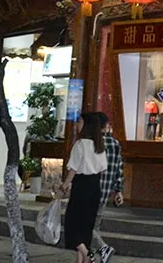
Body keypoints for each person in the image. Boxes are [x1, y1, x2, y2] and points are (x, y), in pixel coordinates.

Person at [60, 113, 108, 263]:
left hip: (81, 186)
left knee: (71, 225)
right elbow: (102, 168)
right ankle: (81, 260)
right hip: (95, 186)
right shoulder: (99, 145)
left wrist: (65, 185)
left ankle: (88, 255)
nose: (77, 125)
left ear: (87, 125)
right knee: (86, 226)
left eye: (80, 122)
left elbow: (73, 169)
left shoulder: (80, 144)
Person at [92, 113, 123, 263]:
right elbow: (119, 167)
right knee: (95, 226)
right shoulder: (115, 143)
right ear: (106, 126)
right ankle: (91, 257)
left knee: (84, 225)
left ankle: (103, 248)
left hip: (91, 189)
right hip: (105, 191)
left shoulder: (92, 143)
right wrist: (118, 190)